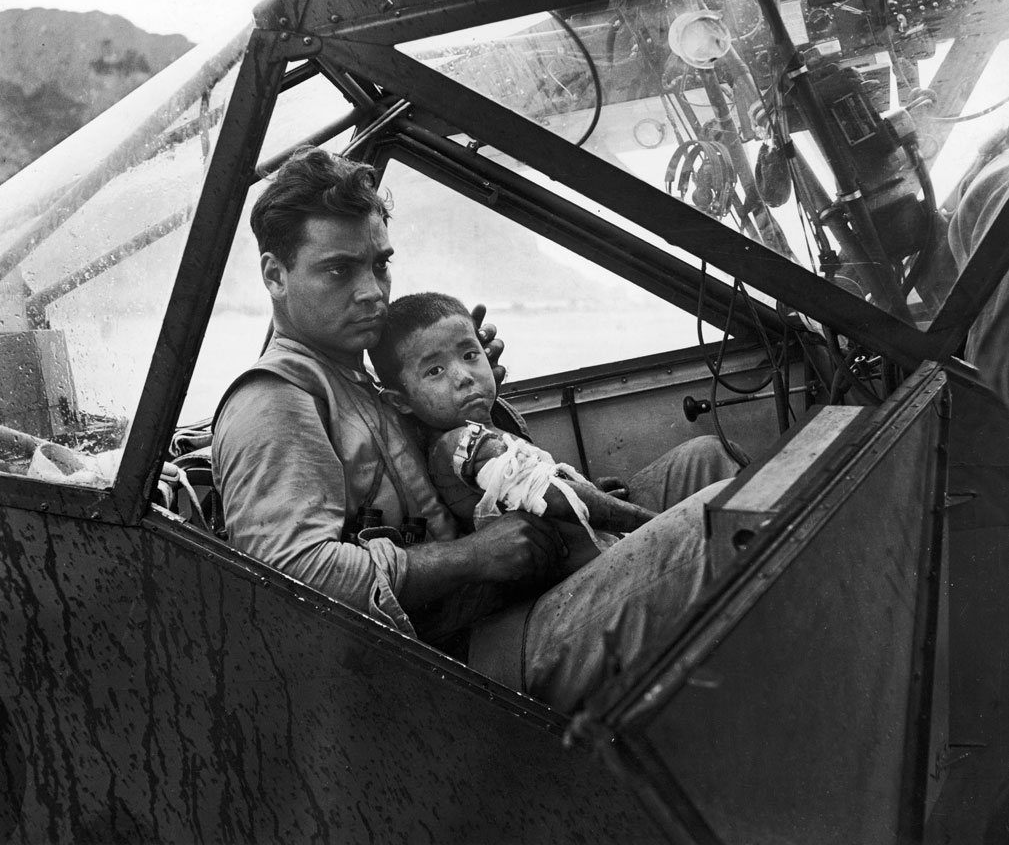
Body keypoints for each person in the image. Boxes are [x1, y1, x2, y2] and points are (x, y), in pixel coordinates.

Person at [212, 147, 738, 714]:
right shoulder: (274, 403)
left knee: (704, 462)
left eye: (380, 265)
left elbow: (445, 478)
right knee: (719, 526)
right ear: (275, 275)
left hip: (500, 592)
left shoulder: (355, 371)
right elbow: (293, 579)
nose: (372, 292)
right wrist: (472, 557)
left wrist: (478, 405)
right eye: (340, 270)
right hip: (464, 663)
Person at [368, 291, 658, 574]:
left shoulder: (486, 427)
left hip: (601, 550)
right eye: (435, 371)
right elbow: (550, 496)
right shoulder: (458, 443)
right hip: (587, 572)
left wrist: (587, 488)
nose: (463, 377)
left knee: (701, 452)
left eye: (470, 355)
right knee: (699, 517)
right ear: (400, 402)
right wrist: (655, 522)